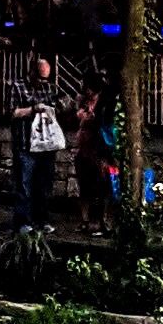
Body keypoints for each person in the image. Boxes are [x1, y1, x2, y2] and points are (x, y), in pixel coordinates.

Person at [9, 55, 63, 233]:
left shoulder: (50, 88)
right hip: (25, 143)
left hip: (46, 144)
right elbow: (13, 112)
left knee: (44, 185)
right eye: (40, 77)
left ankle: (42, 220)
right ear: (32, 72)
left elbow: (62, 104)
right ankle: (23, 221)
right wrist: (33, 109)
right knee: (24, 184)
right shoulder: (18, 86)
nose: (42, 82)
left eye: (45, 78)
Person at [68, 77, 117, 235]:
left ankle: (101, 222)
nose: (86, 92)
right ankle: (85, 220)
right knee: (84, 186)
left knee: (102, 187)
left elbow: (106, 129)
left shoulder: (105, 105)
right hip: (84, 149)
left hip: (99, 150)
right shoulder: (83, 102)